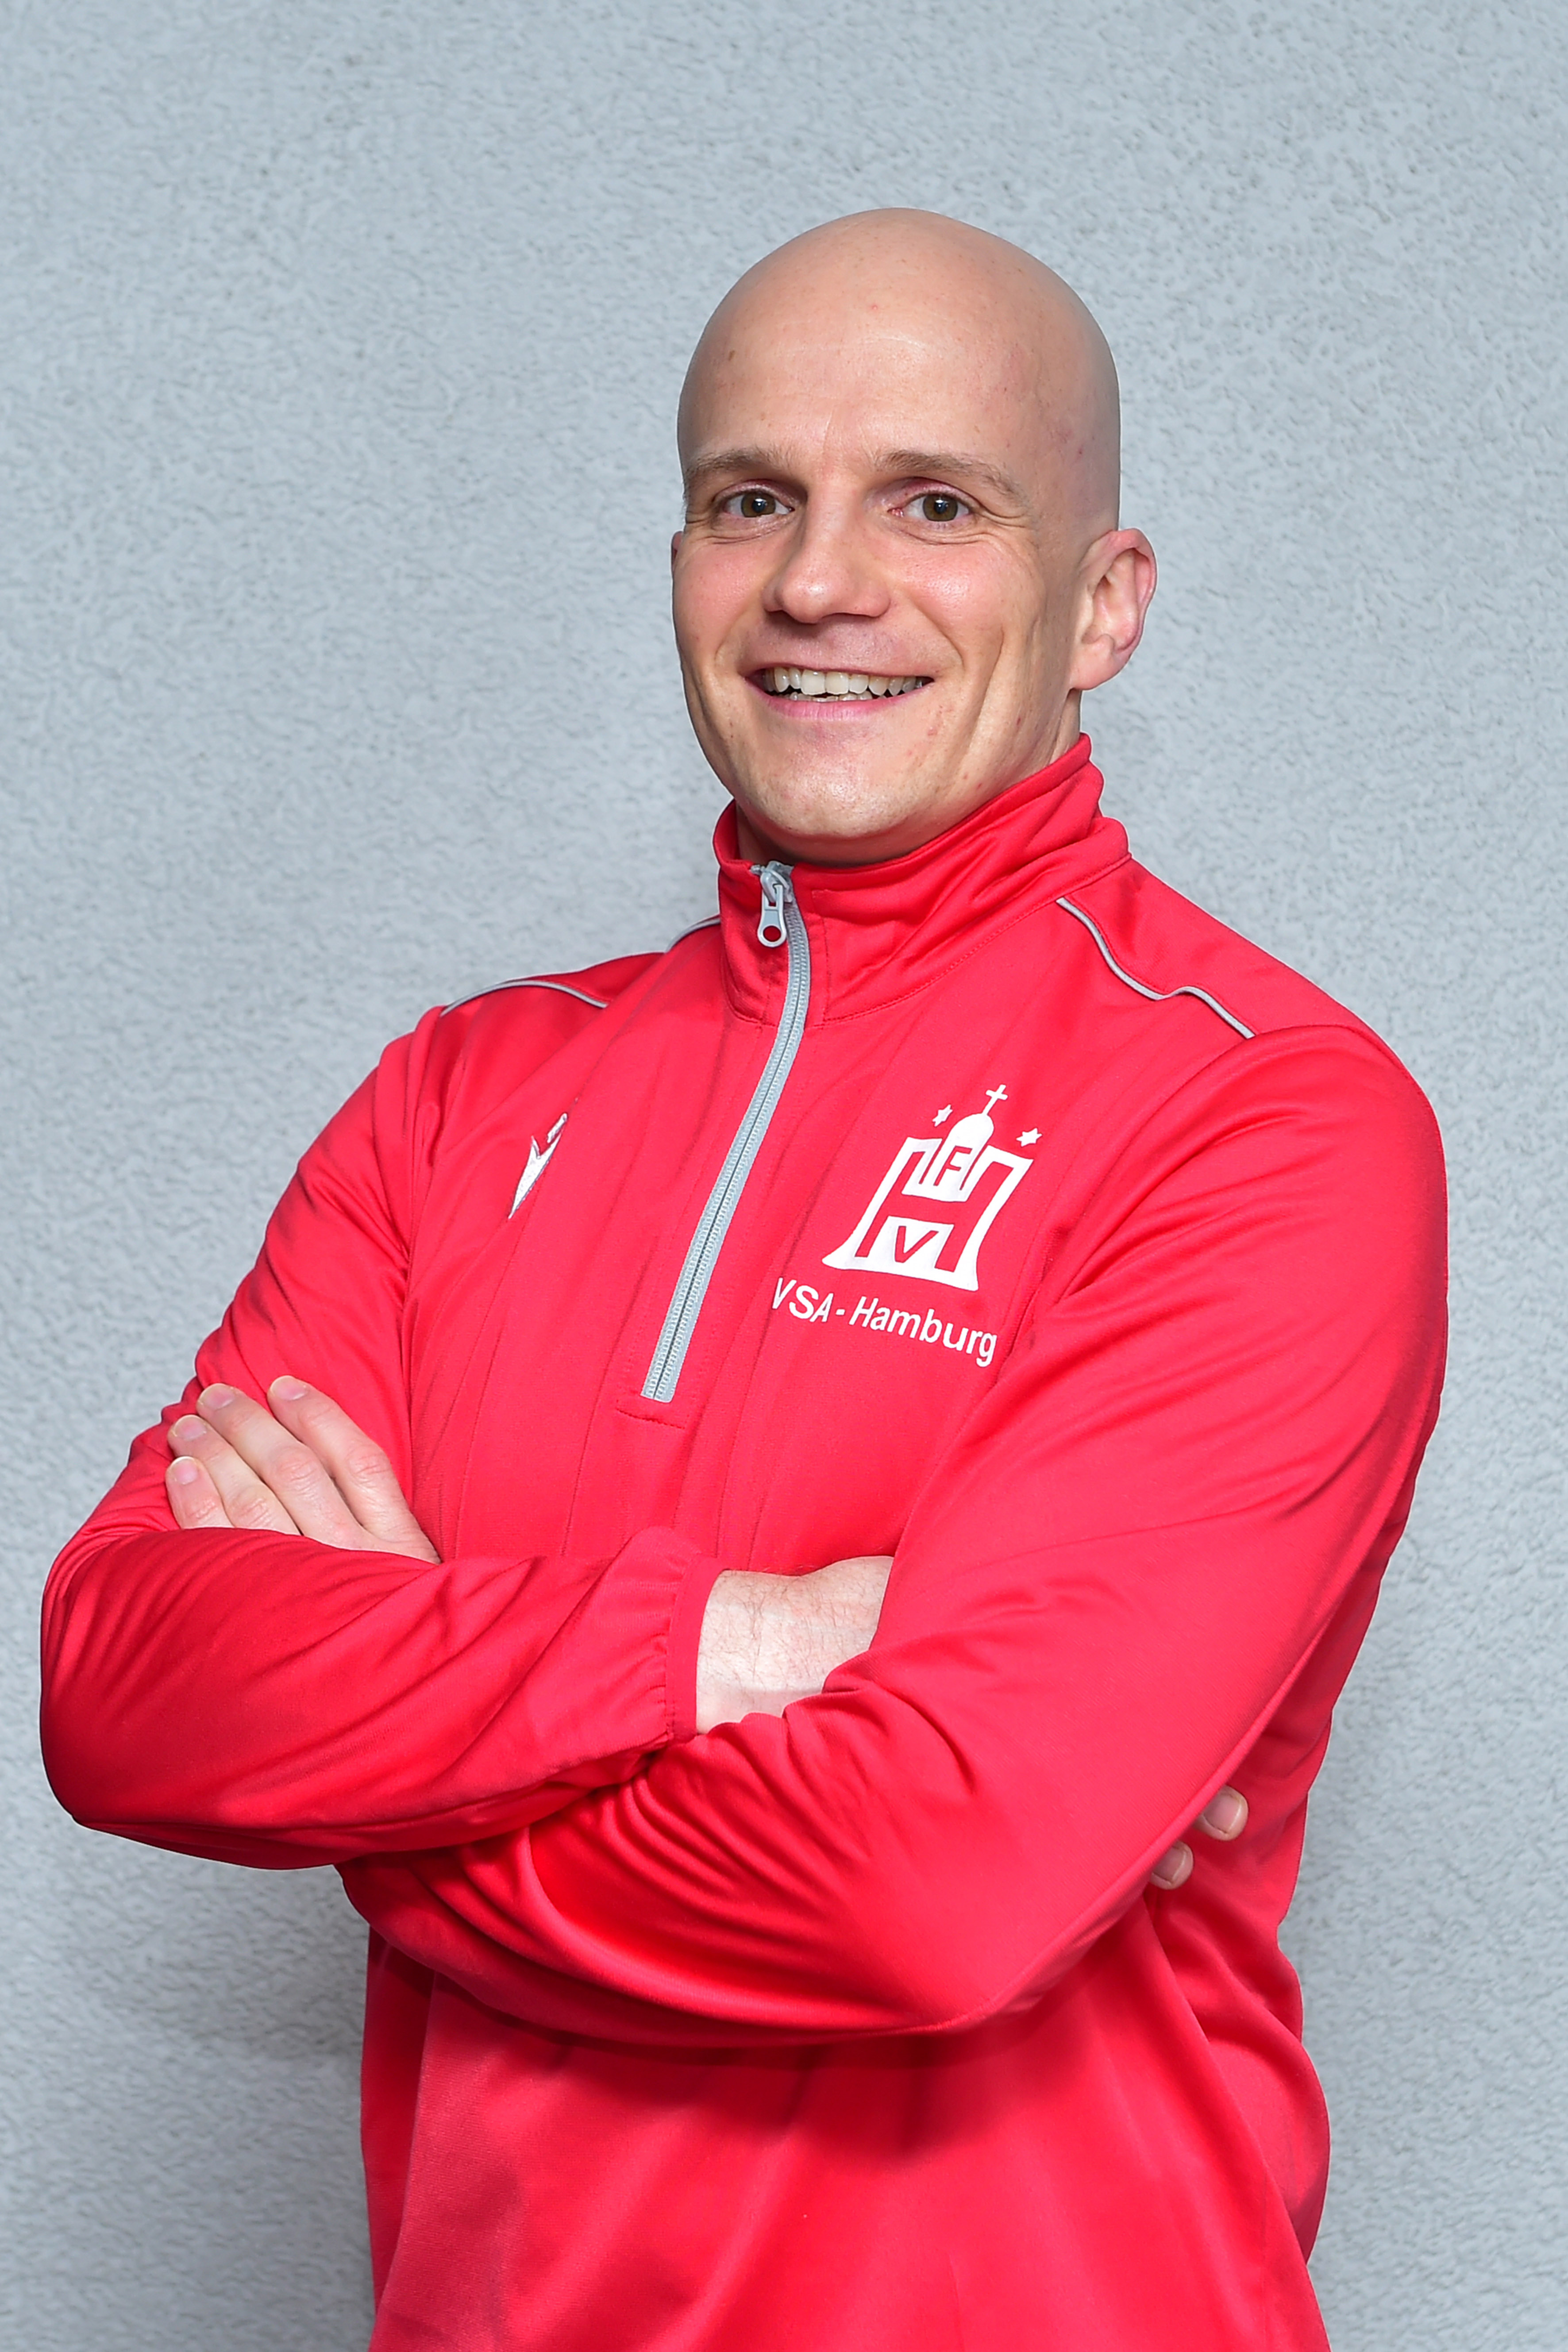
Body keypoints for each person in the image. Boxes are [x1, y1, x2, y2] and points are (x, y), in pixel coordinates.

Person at [41, 210, 1447, 2351]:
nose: (819, 582)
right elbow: (123, 1679)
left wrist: (374, 1791)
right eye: (751, 500)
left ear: (1103, 603)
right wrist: (741, 1643)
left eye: (937, 503)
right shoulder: (458, 1095)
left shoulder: (1263, 1120)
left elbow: (928, 1891)